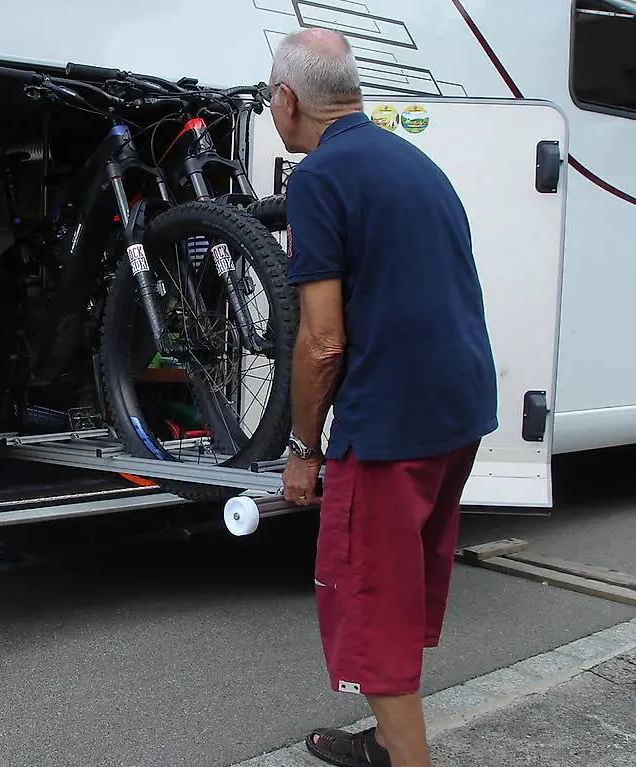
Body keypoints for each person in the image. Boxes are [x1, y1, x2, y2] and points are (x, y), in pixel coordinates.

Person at [267, 27, 499, 767]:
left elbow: (323, 340)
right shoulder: (414, 163)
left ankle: (409, 760)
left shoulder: (319, 179)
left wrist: (303, 448)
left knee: (369, 599)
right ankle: (387, 744)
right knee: (403, 587)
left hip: (391, 424)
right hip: (457, 411)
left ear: (287, 99)